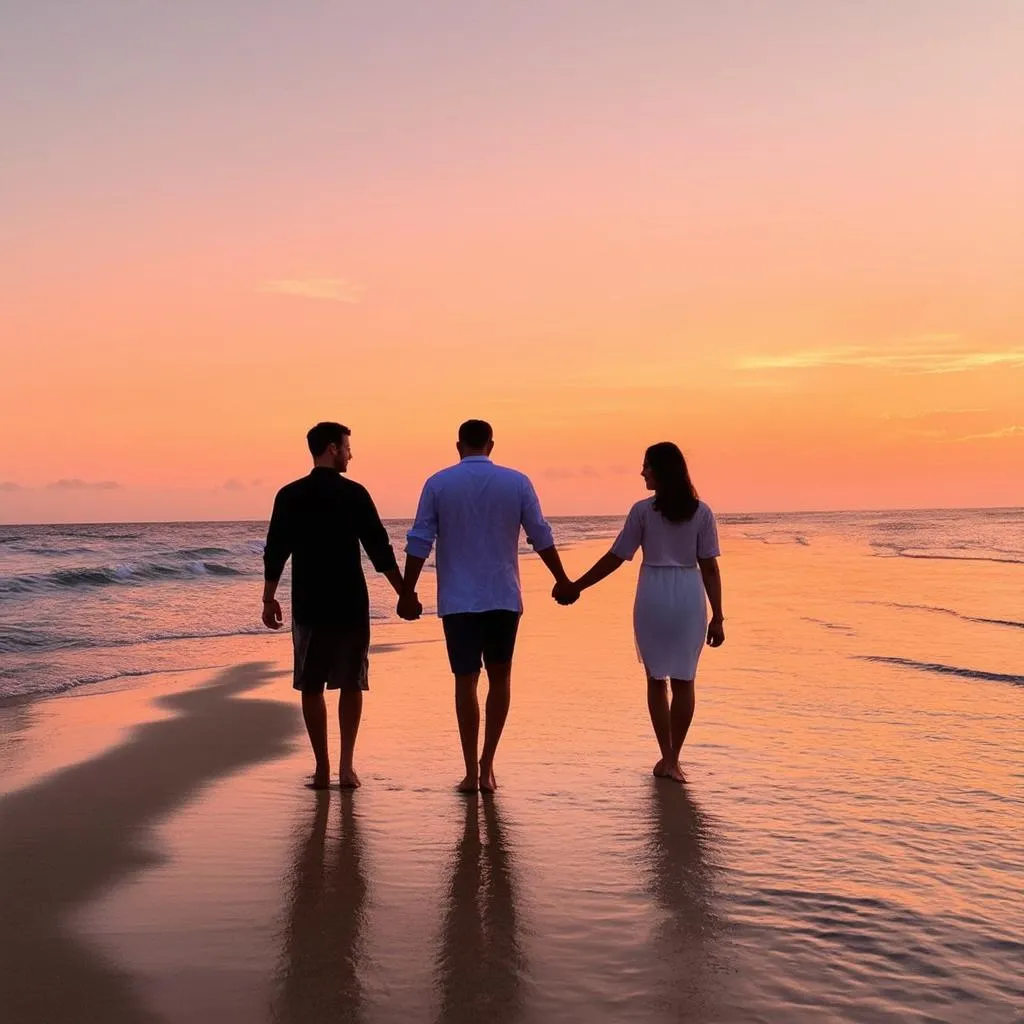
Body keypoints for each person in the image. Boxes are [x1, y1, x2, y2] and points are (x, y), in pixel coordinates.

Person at [398, 419, 572, 794]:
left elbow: (420, 539)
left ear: (458, 445)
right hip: (502, 597)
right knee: (500, 678)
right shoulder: (517, 482)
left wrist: (407, 592)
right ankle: (488, 765)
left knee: (465, 681)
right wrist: (561, 578)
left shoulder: (438, 483)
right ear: (491, 444)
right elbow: (539, 534)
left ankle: (469, 770)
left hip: (459, 600)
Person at [262, 421, 420, 790]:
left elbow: (276, 551)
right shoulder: (355, 494)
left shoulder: (289, 495)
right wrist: (403, 593)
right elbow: (379, 548)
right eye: (348, 447)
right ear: (332, 448)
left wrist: (269, 597)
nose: (351, 454)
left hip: (308, 602)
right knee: (351, 682)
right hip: (349, 601)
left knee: (311, 685)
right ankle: (347, 768)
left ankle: (321, 768)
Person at [554, 442, 724, 782]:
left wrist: (576, 586)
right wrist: (718, 615)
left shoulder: (643, 511)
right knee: (685, 679)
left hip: (653, 595)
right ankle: (674, 758)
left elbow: (616, 557)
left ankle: (667, 757)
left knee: (656, 678)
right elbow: (709, 568)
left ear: (661, 471)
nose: (642, 472)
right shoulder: (701, 512)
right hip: (689, 595)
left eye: (646, 466)